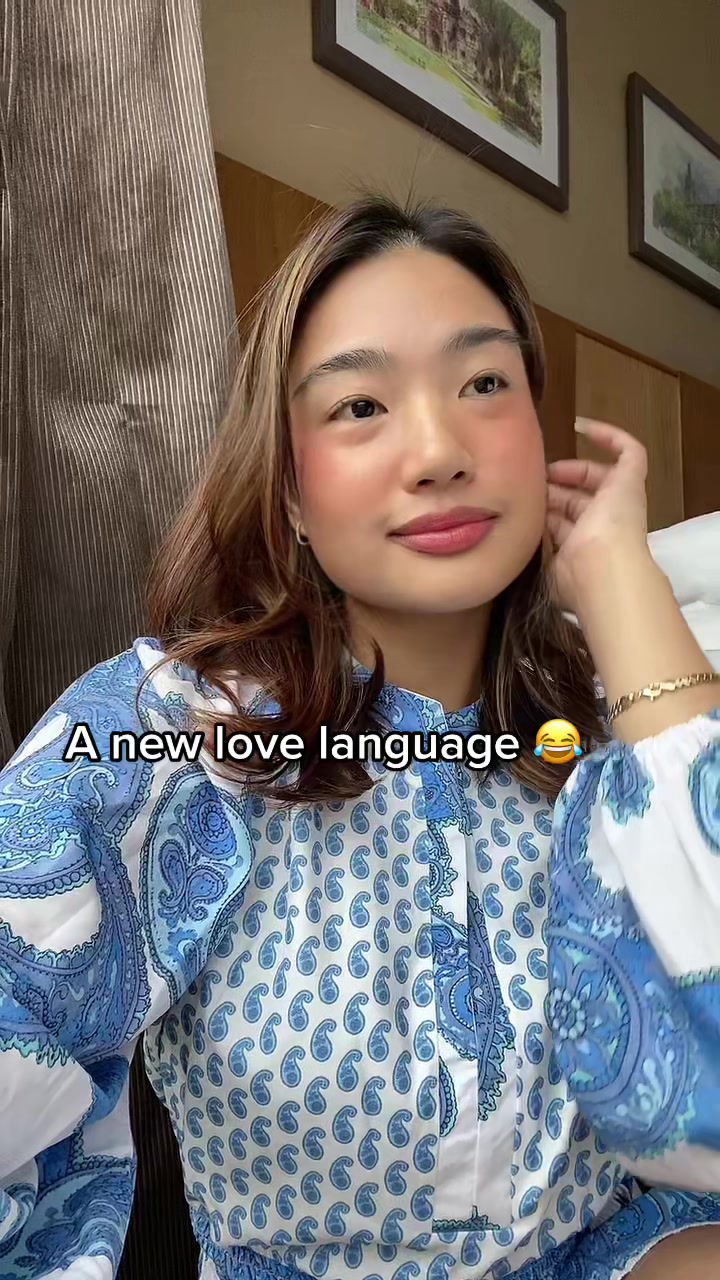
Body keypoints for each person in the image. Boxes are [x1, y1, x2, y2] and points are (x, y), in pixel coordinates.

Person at [1, 196, 719, 1280]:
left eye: (485, 384)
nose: (438, 451)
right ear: (291, 491)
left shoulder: (626, 717)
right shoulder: (172, 730)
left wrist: (626, 591)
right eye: (360, 405)